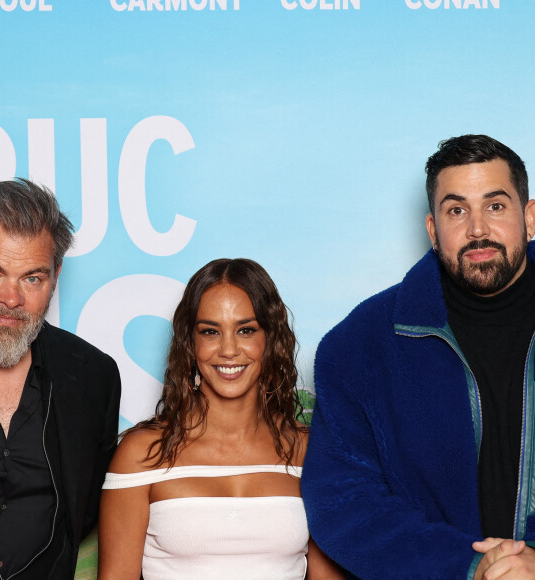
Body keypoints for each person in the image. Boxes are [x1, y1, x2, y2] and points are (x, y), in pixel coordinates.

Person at [301, 134, 535, 580]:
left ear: (530, 216)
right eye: (457, 210)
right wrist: (469, 566)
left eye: (496, 205)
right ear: (432, 229)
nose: (478, 228)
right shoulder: (357, 345)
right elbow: (344, 501)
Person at [98, 258, 344, 579]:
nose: (228, 349)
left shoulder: (310, 451)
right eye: (211, 331)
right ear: (191, 343)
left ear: (269, 339)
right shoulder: (142, 454)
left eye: (245, 330)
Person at [0, 179, 121, 579]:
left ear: (56, 274)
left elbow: (85, 514)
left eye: (32, 278)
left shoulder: (93, 376)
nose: (11, 299)